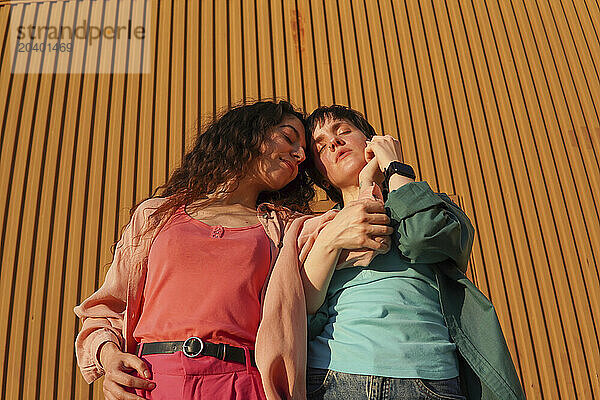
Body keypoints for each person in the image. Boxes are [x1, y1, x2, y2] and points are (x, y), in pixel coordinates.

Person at [73, 100, 389, 400]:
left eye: (303, 151)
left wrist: (372, 169)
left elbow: (364, 225)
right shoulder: (156, 215)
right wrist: (109, 355)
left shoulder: (286, 228)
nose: (299, 155)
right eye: (288, 138)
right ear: (249, 134)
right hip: (152, 379)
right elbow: (105, 310)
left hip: (244, 382)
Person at [300, 105, 526, 400]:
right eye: (320, 146)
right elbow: (306, 313)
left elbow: (422, 236)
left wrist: (394, 167)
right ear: (323, 176)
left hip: (429, 378)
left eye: (343, 131)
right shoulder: (317, 229)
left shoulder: (434, 207)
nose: (333, 142)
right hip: (333, 376)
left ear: (372, 143)